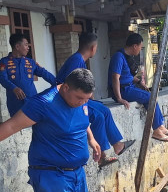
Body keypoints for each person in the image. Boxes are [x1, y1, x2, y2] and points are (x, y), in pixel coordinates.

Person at [56, 32, 133, 167]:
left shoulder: (79, 60)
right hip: (69, 101)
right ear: (93, 48)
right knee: (98, 116)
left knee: (105, 110)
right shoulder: (76, 61)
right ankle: (103, 156)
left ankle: (118, 145)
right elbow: (74, 89)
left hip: (79, 97)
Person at [109, 32, 168, 141]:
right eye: (140, 47)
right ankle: (157, 130)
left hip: (128, 87)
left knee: (149, 96)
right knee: (150, 97)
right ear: (135, 46)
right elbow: (115, 78)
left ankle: (160, 127)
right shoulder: (118, 57)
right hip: (123, 90)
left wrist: (139, 82)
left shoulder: (126, 57)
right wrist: (119, 98)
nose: (140, 49)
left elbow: (126, 76)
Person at [0, 34, 56, 117]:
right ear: (17, 46)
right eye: (26, 45)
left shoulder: (30, 62)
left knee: (36, 123)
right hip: (15, 101)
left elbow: (44, 73)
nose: (28, 47)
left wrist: (58, 83)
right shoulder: (4, 62)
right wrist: (14, 88)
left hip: (32, 100)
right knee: (17, 125)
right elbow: (2, 78)